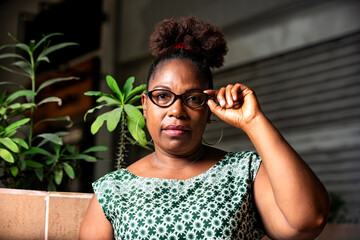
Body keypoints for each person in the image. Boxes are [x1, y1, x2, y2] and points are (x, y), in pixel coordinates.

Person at [79, 16, 329, 240]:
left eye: (193, 98)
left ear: (209, 108)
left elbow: (308, 222)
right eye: (163, 96)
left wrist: (253, 121)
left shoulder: (244, 173)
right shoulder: (113, 190)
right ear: (145, 106)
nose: (176, 111)